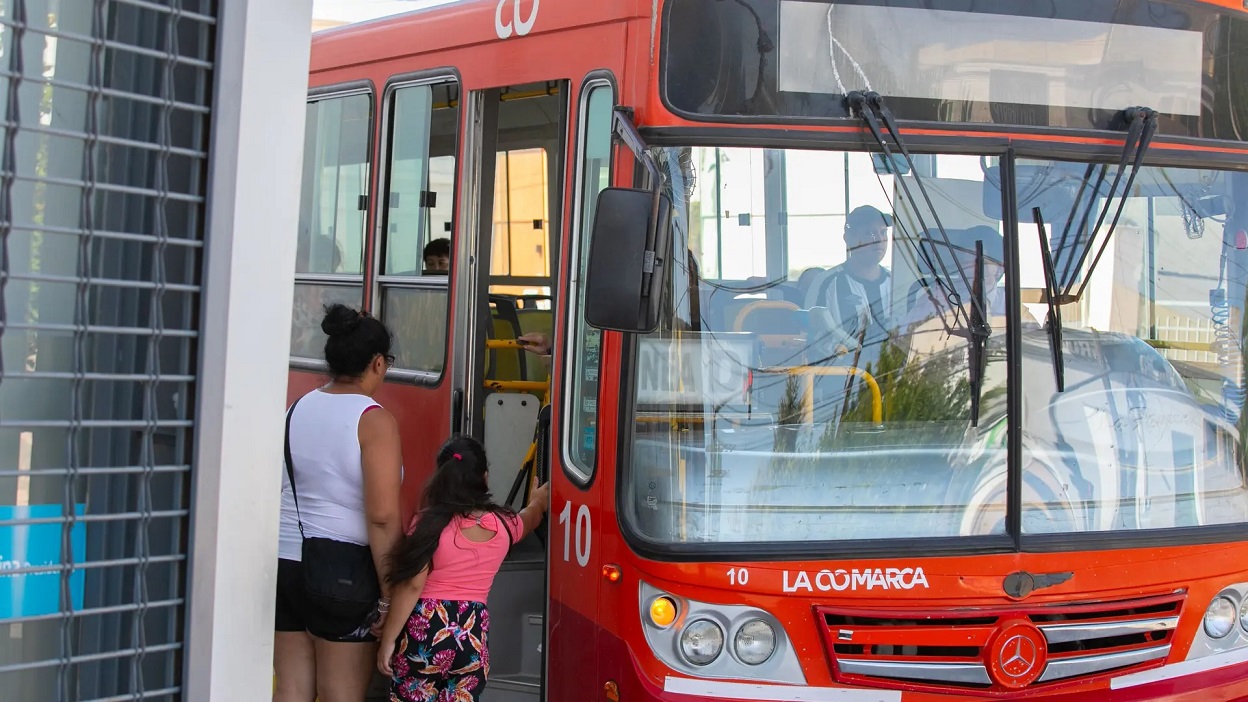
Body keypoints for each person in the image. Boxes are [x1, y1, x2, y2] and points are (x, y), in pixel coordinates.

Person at [274, 304, 405, 702]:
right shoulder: (374, 419)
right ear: (378, 363)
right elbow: (382, 518)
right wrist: (389, 596)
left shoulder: (296, 409)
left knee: (292, 689)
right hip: (342, 572)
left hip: (284, 561)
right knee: (341, 694)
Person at [378, 436, 551, 701]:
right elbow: (531, 516)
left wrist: (388, 640)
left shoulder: (428, 524)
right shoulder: (504, 525)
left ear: (441, 475)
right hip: (472, 633)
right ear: (484, 477)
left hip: (427, 631)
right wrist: (538, 500)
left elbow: (412, 585)